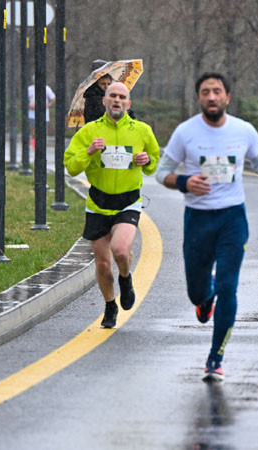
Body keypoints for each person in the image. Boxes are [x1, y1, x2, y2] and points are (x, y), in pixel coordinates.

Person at [155, 72, 258, 382]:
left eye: (216, 91)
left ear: (227, 97)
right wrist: (185, 181)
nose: (211, 97)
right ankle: (205, 297)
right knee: (196, 292)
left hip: (232, 219)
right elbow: (162, 173)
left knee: (229, 287)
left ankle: (215, 358)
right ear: (199, 98)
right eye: (205, 92)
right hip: (198, 220)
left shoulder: (244, 130)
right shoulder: (185, 132)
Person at [64, 82, 160, 329]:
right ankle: (109, 305)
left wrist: (146, 160)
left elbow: (154, 161)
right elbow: (72, 166)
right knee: (103, 263)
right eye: (113, 96)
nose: (117, 100)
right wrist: (88, 151)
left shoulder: (141, 130)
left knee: (120, 250)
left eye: (122, 97)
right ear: (105, 101)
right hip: (98, 203)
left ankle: (126, 279)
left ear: (128, 104)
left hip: (128, 201)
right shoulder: (89, 132)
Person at [28, 77, 56, 148]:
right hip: (32, 115)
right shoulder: (30, 89)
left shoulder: (46, 88)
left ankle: (42, 147)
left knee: (43, 132)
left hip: (44, 115)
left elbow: (53, 98)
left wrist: (48, 105)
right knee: (34, 131)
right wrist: (29, 105)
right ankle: (35, 147)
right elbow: (25, 99)